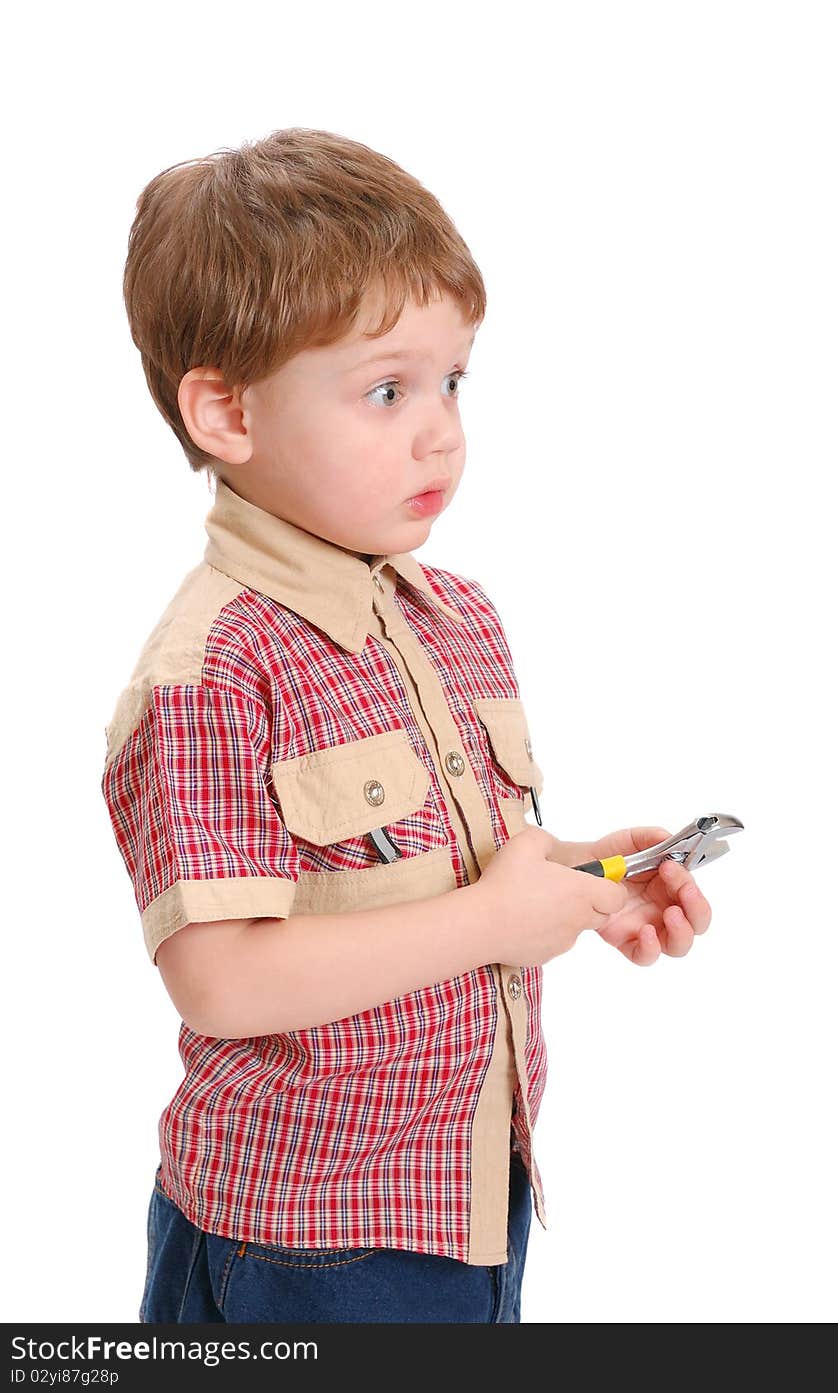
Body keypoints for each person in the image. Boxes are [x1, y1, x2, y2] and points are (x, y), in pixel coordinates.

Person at [101, 127, 712, 1325]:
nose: (440, 430)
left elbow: (427, 884)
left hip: (472, 1196)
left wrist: (590, 879)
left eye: (452, 381)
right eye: (387, 388)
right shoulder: (212, 667)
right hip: (303, 1237)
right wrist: (496, 917)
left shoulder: (454, 617)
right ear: (225, 411)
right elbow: (218, 978)